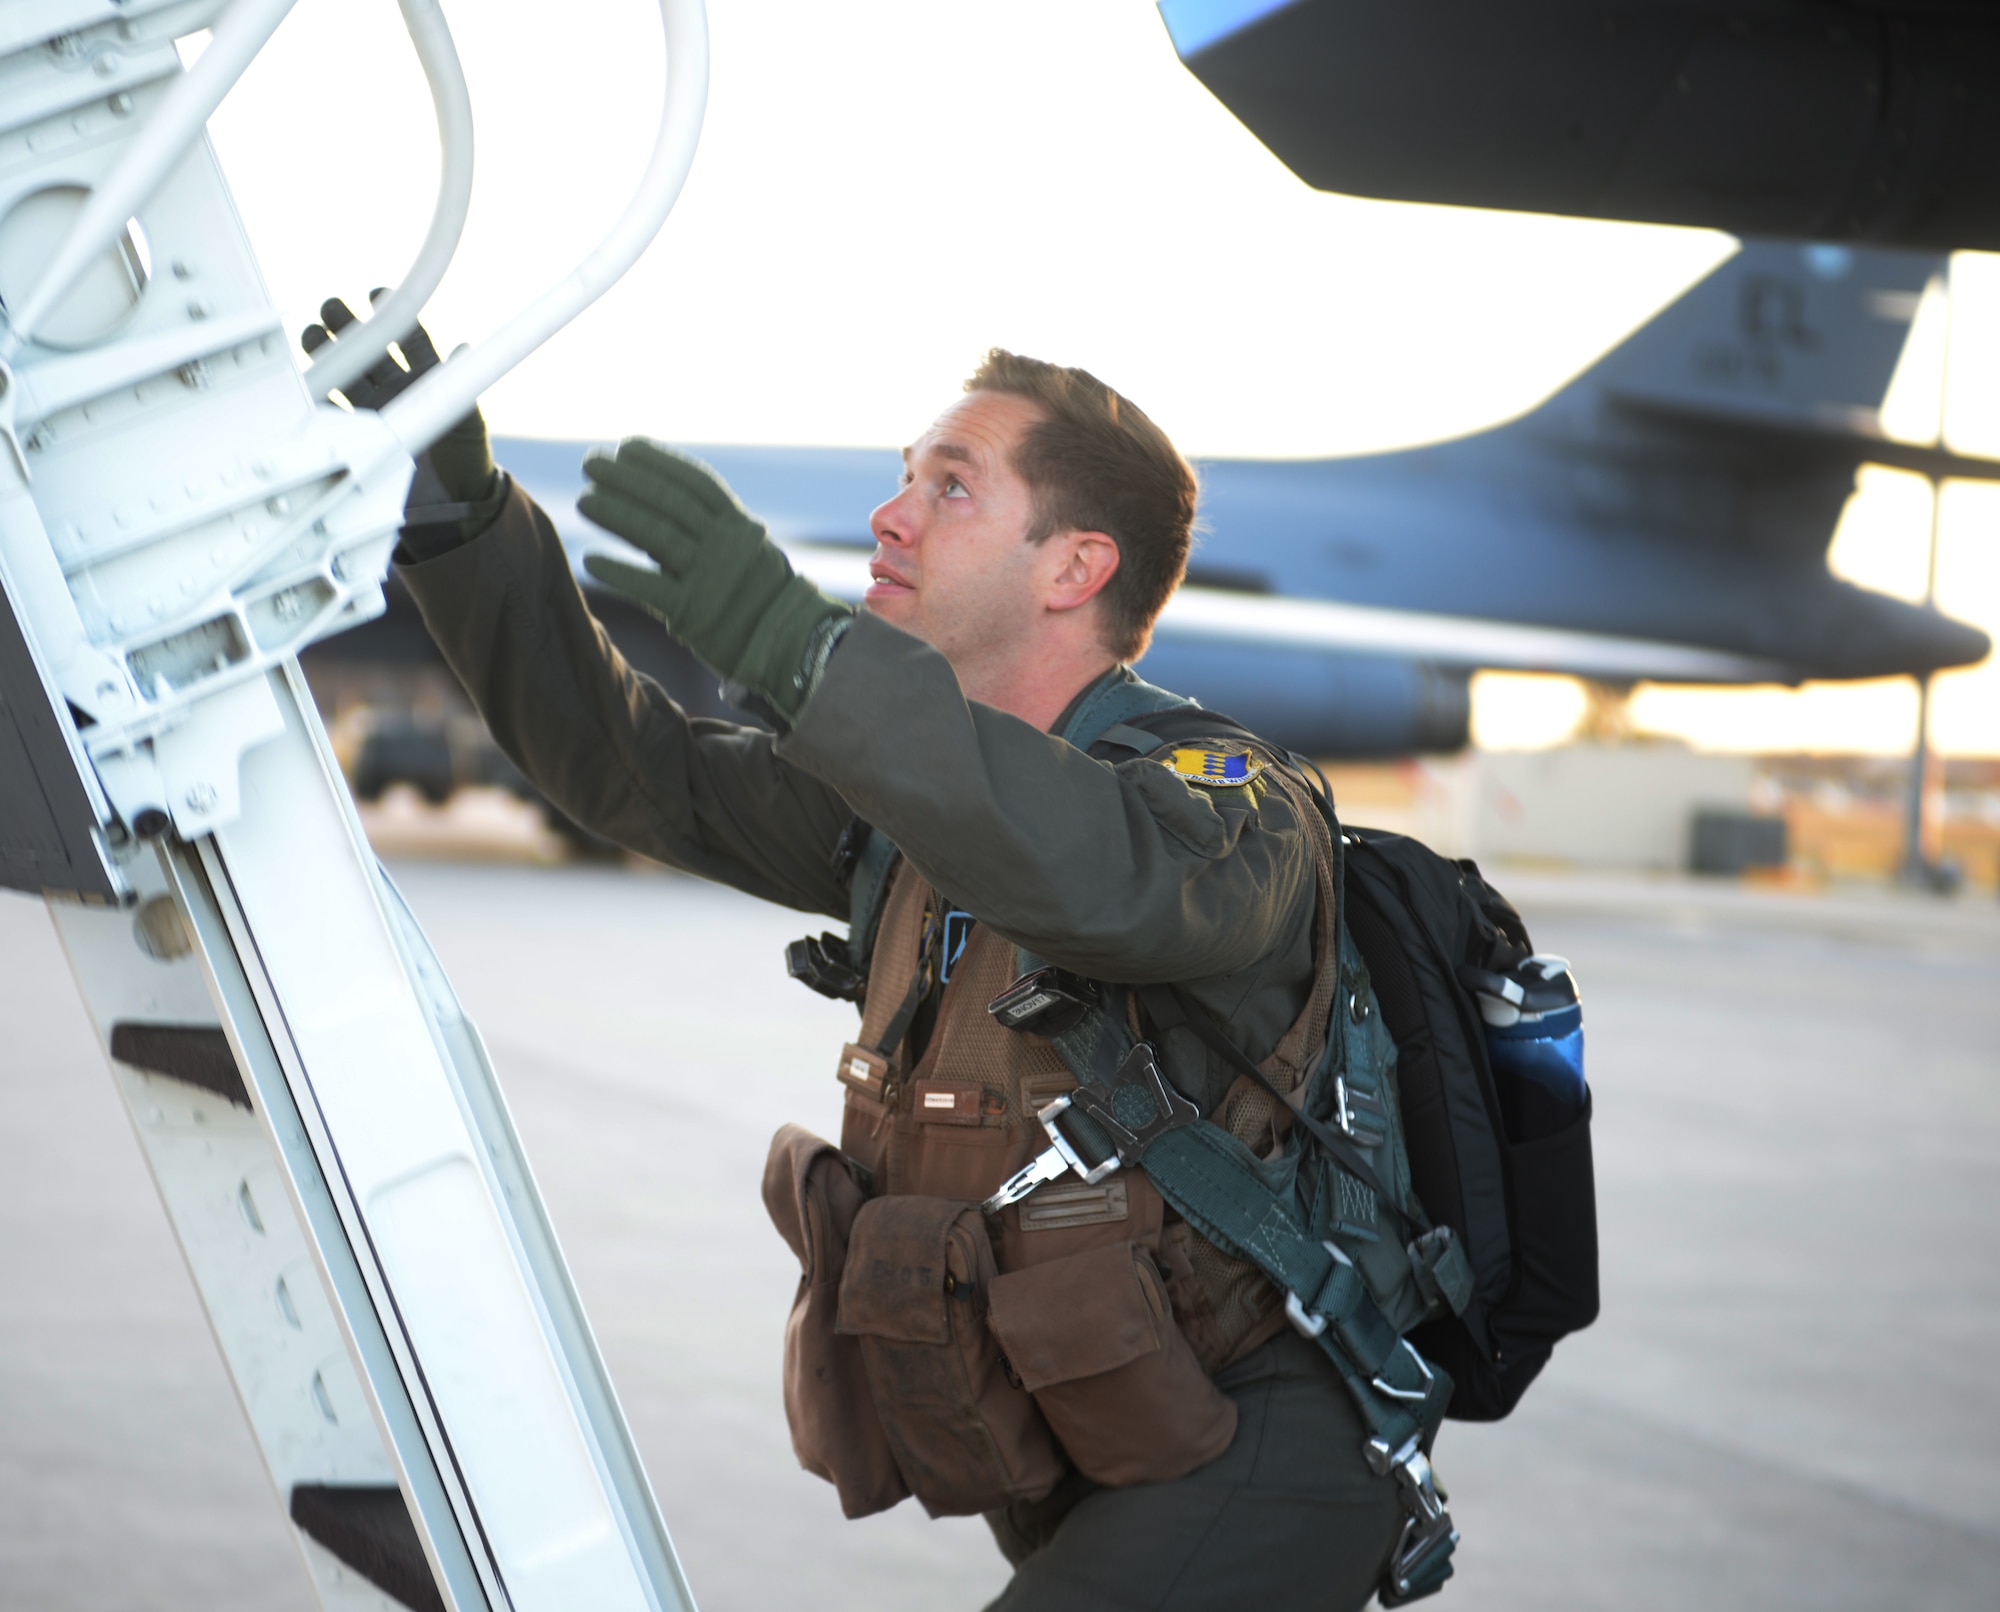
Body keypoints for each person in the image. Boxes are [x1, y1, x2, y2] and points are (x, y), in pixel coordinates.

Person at [305, 301, 1409, 1610]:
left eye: (951, 488)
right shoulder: (909, 813)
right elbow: (630, 765)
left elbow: (1107, 879)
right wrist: (462, 519)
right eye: (901, 482)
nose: (892, 517)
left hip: (1261, 1447)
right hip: (1102, 1438)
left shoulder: (1233, 802)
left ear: (1074, 569)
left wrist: (790, 640)